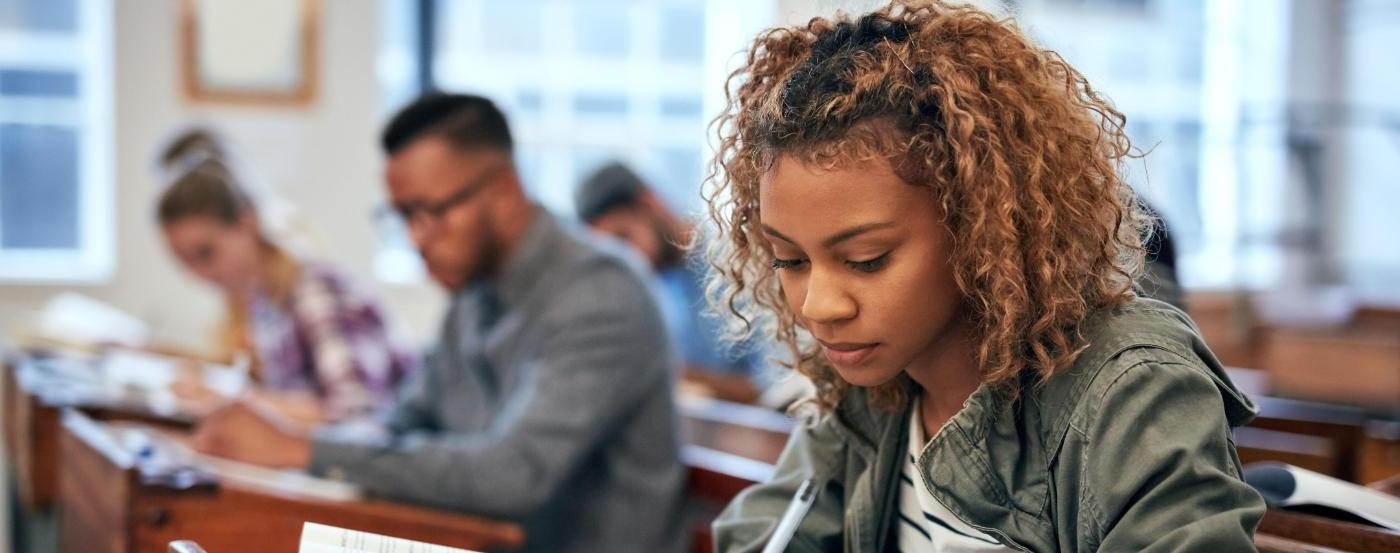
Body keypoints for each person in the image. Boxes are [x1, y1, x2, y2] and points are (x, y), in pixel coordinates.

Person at [703, 2, 1266, 551]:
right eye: (790, 260)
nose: (819, 307)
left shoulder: (1132, 391)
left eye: (867, 258)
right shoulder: (875, 387)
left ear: (981, 227)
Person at [190, 94, 686, 553]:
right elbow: (405, 421)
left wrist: (297, 448)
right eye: (403, 217)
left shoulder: (603, 294)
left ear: (504, 191)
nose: (417, 239)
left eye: (430, 212)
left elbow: (510, 476)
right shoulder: (474, 293)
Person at [155, 128, 415, 424]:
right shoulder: (262, 299)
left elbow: (356, 415)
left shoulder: (316, 290)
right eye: (182, 260)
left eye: (205, 253)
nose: (197, 273)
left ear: (247, 223)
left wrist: (229, 401)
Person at [575, 162, 769, 403]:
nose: (625, 261)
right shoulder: (655, 285)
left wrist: (670, 374)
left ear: (649, 204)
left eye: (623, 239)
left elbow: (774, 388)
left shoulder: (740, 261)